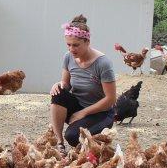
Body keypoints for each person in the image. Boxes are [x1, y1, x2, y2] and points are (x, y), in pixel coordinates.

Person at [50, 14, 117, 150]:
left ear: (87, 42)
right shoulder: (68, 57)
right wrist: (59, 84)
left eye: (76, 45)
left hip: (101, 113)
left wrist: (83, 113)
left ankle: (99, 137)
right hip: (78, 107)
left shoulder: (103, 63)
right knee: (58, 93)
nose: (71, 49)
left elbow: (111, 99)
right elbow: (66, 84)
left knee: (74, 137)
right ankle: (59, 143)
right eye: (68, 45)